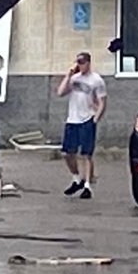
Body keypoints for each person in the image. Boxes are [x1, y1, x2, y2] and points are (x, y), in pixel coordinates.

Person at [58, 51, 107, 200]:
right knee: (67, 153)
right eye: (78, 62)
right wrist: (68, 75)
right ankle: (76, 178)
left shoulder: (96, 80)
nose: (80, 65)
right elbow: (60, 92)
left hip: (87, 119)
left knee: (86, 154)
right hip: (72, 119)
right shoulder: (74, 79)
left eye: (83, 62)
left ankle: (87, 186)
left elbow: (102, 101)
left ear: (88, 63)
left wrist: (96, 118)